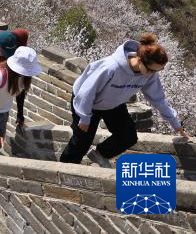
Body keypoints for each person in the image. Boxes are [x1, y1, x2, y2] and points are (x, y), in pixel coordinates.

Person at [60, 33, 188, 167]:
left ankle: (100, 154)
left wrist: (175, 123)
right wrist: (85, 116)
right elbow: (87, 90)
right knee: (82, 141)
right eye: (151, 70)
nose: (152, 74)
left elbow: (158, 99)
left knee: (128, 136)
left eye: (157, 71)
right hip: (87, 102)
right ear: (140, 60)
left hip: (114, 103)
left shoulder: (149, 75)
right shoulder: (111, 67)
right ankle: (63, 169)